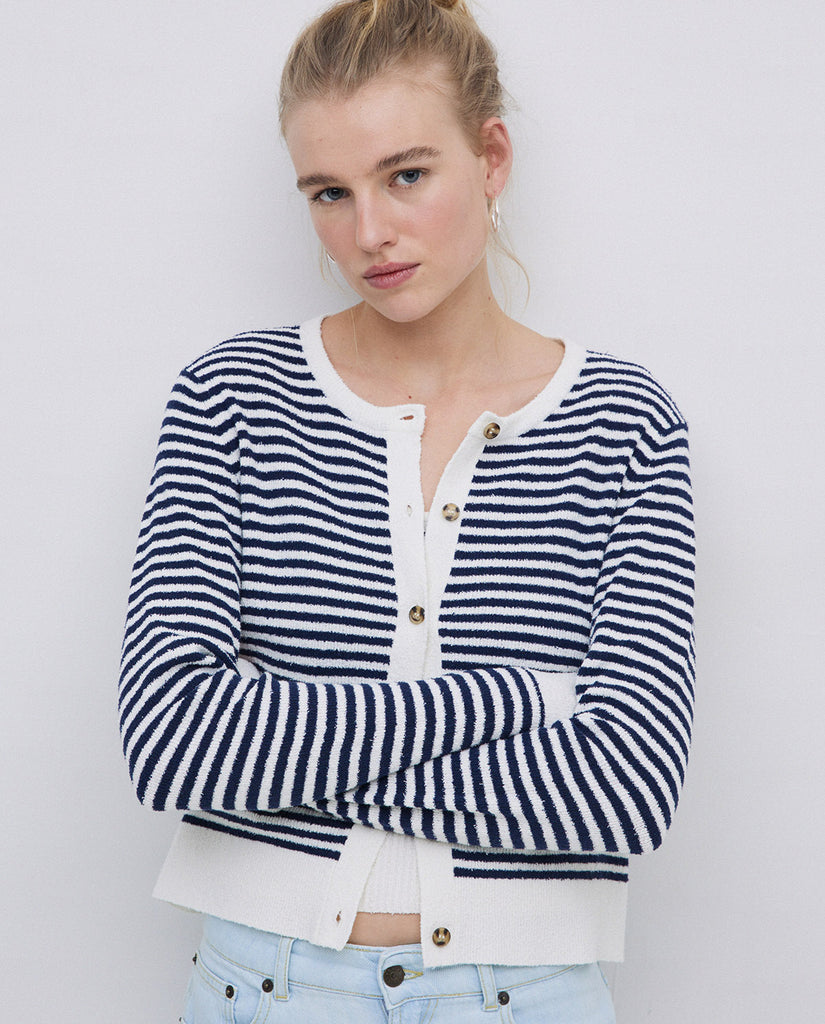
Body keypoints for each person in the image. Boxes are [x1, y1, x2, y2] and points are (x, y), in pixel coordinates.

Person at [119, 1, 695, 1020]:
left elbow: (629, 787)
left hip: (530, 996)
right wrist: (520, 701)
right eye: (328, 192)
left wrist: (272, 758)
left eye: (407, 175)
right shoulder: (230, 401)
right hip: (264, 988)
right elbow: (171, 742)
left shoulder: (624, 422)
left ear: (492, 156)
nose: (369, 232)